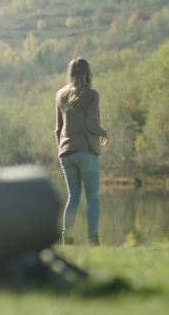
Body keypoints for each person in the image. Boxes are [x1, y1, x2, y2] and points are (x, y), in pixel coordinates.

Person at [55, 57, 109, 246]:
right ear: (88, 73)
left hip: (65, 152)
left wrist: (62, 149)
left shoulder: (60, 95)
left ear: (70, 73)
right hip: (86, 151)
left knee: (73, 197)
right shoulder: (92, 95)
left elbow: (58, 129)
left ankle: (66, 239)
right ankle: (93, 239)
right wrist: (104, 132)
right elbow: (92, 125)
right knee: (92, 197)